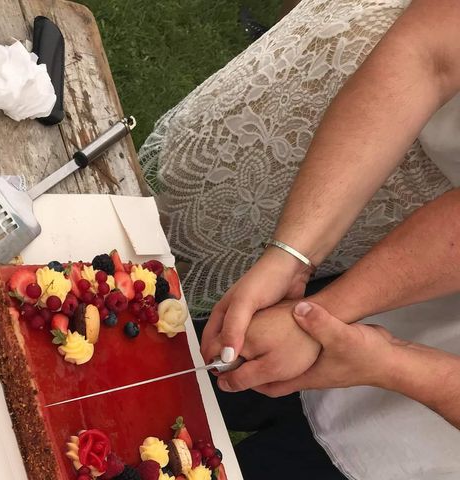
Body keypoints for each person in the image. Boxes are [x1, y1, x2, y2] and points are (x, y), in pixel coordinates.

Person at [140, 0, 460, 477]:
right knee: (142, 393)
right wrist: (297, 266)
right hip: (402, 282)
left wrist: (396, 364)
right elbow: (435, 53)